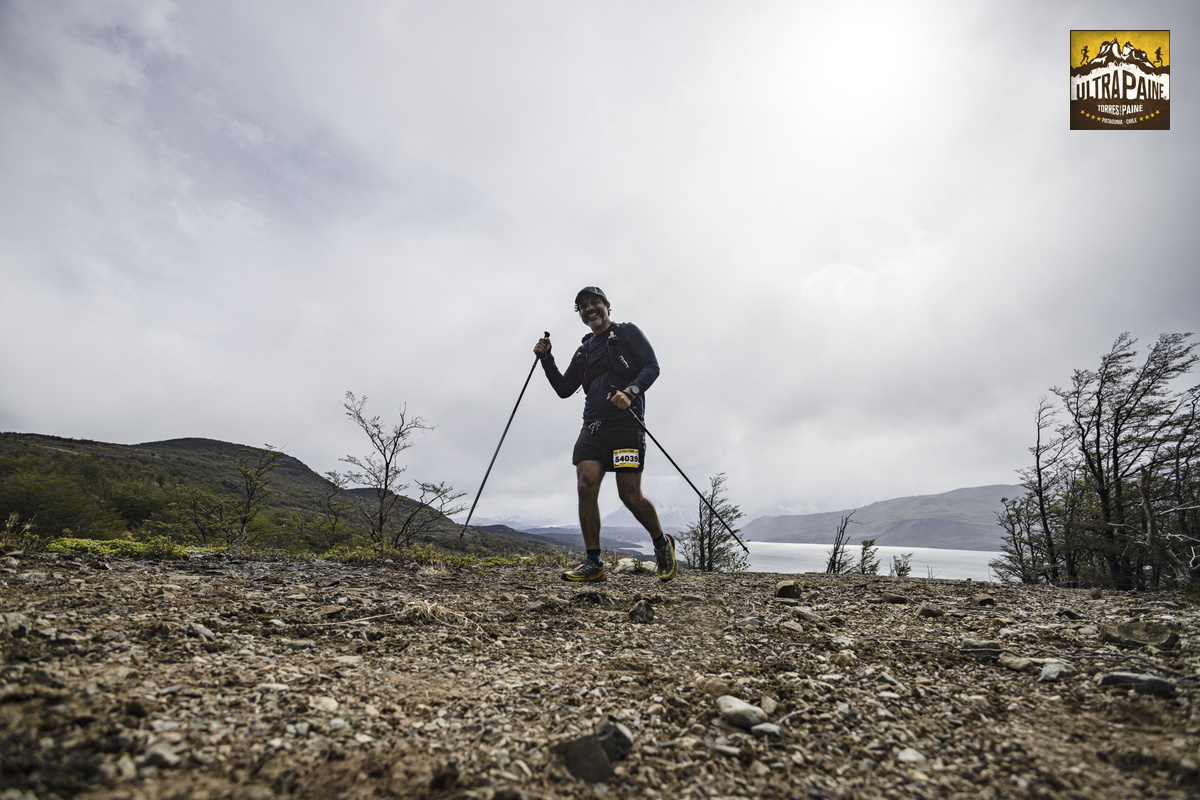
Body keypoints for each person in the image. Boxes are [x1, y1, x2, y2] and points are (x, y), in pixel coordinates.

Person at [534, 287, 677, 583]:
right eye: (583, 306)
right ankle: (594, 562)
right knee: (585, 485)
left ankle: (662, 544)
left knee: (630, 495)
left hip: (626, 426)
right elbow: (564, 389)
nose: (589, 309)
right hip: (593, 427)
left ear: (607, 305)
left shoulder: (626, 333)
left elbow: (652, 366)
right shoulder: (584, 350)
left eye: (594, 302)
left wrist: (630, 391)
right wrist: (547, 359)